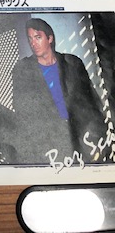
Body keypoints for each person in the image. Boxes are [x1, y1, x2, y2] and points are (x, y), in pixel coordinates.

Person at [11, 18, 105, 163]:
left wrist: (97, 134)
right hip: (48, 143)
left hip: (80, 138)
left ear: (49, 38)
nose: (33, 43)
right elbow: (21, 111)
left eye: (38, 37)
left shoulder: (72, 63)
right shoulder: (23, 69)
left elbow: (91, 101)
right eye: (30, 39)